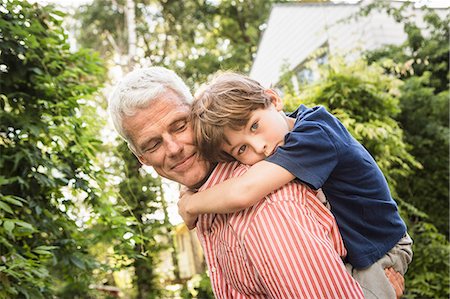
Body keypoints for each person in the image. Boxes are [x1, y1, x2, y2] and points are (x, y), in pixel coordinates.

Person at [108, 67, 365, 298]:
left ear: (198, 115)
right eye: (153, 144)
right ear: (143, 158)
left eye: (179, 126)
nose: (174, 148)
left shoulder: (269, 208)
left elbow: (246, 192)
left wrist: (191, 204)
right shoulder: (210, 203)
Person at [178, 72, 413, 299]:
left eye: (254, 126)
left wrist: (190, 204)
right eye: (242, 149)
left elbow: (244, 190)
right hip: (355, 253)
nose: (259, 147)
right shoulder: (286, 141)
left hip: (380, 250)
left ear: (273, 99)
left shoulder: (316, 132)